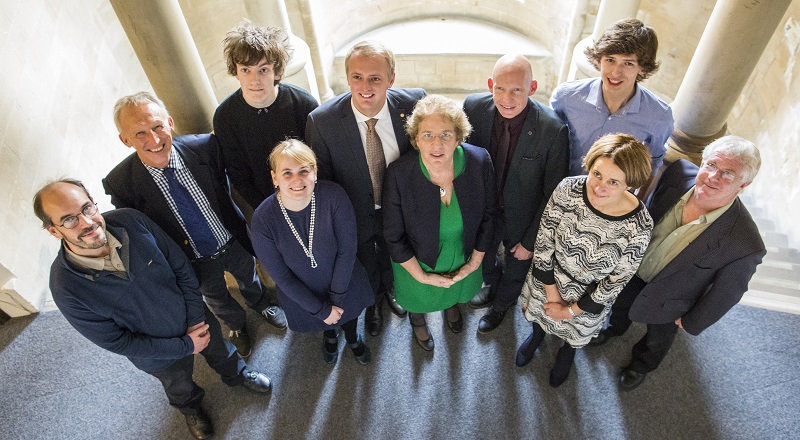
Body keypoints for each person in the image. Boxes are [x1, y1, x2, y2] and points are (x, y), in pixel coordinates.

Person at [35, 179, 272, 440]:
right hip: (156, 353)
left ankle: (238, 375)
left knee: (221, 351)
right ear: (53, 231)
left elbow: (182, 268)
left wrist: (195, 321)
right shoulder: (65, 287)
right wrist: (185, 346)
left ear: (94, 203)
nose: (86, 222)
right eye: (69, 220)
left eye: (87, 208)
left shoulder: (131, 221)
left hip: (195, 319)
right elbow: (117, 342)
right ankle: (190, 408)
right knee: (178, 384)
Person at [103, 92, 286, 361]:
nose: (153, 140)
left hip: (231, 239)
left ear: (170, 122)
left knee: (249, 276)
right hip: (192, 260)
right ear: (125, 140)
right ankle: (236, 325)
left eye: (157, 127)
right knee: (216, 297)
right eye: (140, 133)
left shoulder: (205, 148)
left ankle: (260, 303)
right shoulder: (121, 183)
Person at [589, 135, 766, 390]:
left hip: (671, 302)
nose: (714, 177)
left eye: (728, 173)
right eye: (712, 165)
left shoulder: (745, 244)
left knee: (657, 340)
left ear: (744, 184)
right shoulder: (678, 173)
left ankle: (642, 365)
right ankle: (614, 329)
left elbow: (727, 293)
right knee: (621, 307)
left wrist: (693, 321)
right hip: (634, 272)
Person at [305, 40, 426, 336]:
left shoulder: (414, 105)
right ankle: (374, 301)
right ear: (347, 78)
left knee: (396, 252)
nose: (365, 87)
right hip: (355, 212)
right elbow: (323, 182)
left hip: (400, 207)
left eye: (375, 78)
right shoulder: (322, 121)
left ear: (391, 79)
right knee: (366, 260)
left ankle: (395, 291)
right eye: (357, 77)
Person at [517, 134, 654, 388]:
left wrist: (569, 310)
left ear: (630, 184)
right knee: (541, 317)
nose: (599, 187)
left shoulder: (640, 225)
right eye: (597, 174)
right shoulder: (568, 189)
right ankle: (536, 337)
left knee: (573, 335)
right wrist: (553, 295)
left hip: (590, 297)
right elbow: (544, 241)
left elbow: (616, 282)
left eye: (613, 182)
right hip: (548, 277)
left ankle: (567, 353)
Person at [462, 54, 570, 333]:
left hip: (522, 219)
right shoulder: (472, 108)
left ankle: (501, 308)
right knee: (482, 259)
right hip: (484, 210)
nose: (507, 99)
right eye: (500, 88)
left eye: (516, 90)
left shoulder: (552, 129)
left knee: (516, 269)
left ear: (532, 88)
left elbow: (552, 194)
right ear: (490, 84)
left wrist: (531, 241)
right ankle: (490, 281)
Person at [383, 95, 496, 350]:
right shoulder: (399, 174)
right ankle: (418, 320)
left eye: (446, 135)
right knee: (418, 302)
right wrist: (422, 277)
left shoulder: (479, 162)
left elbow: (490, 215)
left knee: (454, 294)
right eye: (427, 135)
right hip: (415, 263)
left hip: (464, 258)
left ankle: (451, 306)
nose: (437, 144)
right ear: (416, 139)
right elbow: (393, 236)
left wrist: (474, 263)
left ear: (458, 137)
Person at [250, 140, 374, 364]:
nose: (297, 180)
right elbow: (282, 277)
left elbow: (347, 250)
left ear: (314, 172)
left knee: (348, 315)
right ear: (274, 178)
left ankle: (352, 336)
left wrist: (336, 300)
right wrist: (322, 311)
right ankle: (330, 335)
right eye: (286, 173)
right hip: (304, 292)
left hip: (344, 280)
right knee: (327, 320)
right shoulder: (263, 220)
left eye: (303, 171)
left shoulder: (333, 196)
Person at [214, 20, 319, 213]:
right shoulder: (225, 117)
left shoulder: (304, 105)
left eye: (263, 70)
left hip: (312, 198)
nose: (255, 80)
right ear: (236, 72)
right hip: (267, 207)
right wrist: (273, 209)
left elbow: (319, 160)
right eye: (246, 70)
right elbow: (238, 176)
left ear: (276, 71)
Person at [551, 18, 673, 180]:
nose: (616, 73)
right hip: (561, 187)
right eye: (610, 60)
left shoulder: (659, 116)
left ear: (642, 69)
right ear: (598, 60)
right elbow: (548, 146)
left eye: (628, 63)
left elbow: (651, 166)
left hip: (612, 200)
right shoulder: (566, 97)